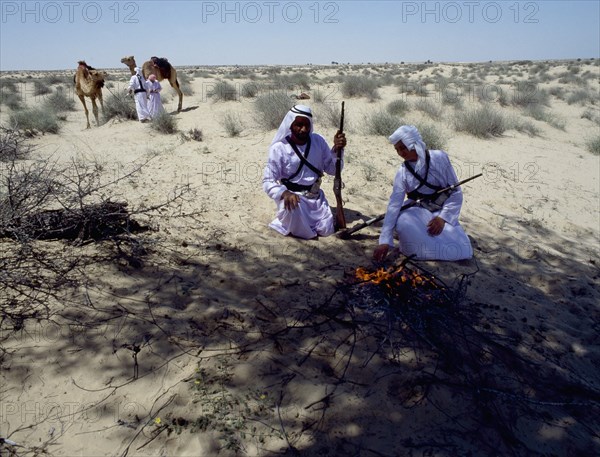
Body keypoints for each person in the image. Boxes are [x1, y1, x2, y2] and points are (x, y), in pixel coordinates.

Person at [373, 125, 473, 262]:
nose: (400, 153)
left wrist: (443, 218)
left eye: (402, 147)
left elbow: (455, 192)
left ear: (412, 143)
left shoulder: (440, 158)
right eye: (397, 149)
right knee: (404, 223)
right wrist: (384, 241)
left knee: (463, 249)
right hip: (416, 209)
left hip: (440, 209)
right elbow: (394, 205)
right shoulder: (402, 172)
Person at [263, 105, 346, 239]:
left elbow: (331, 170)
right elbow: (268, 182)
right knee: (295, 215)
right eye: (299, 125)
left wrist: (337, 149)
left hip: (316, 198)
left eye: (307, 125)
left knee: (326, 230)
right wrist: (284, 193)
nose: (304, 129)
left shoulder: (318, 141)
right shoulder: (279, 148)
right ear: (290, 125)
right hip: (293, 199)